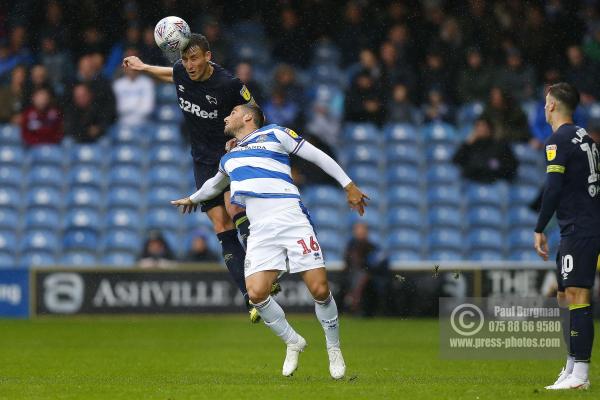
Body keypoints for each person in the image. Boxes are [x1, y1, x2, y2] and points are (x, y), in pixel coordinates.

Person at [171, 103, 369, 379]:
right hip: (260, 229)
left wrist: (348, 185)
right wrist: (191, 198)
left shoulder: (276, 134)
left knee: (320, 290)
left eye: (233, 112)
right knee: (256, 293)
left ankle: (333, 348)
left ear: (248, 117)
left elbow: (318, 156)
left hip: (290, 218)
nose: (227, 117)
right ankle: (292, 340)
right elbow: (214, 185)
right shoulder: (228, 157)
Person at [123, 33, 276, 323]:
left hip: (230, 155)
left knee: (235, 210)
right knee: (221, 226)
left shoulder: (229, 84)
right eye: (184, 59)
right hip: (202, 162)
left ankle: (263, 272)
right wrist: (143, 67)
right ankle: (251, 297)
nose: (189, 64)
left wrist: (240, 138)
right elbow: (172, 75)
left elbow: (257, 113)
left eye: (194, 58)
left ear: (208, 56)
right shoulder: (182, 71)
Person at [534, 83, 600, 390]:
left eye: (546, 103)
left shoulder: (558, 140)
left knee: (577, 296)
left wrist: (539, 228)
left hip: (579, 228)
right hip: (578, 225)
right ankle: (572, 364)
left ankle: (581, 375)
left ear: (551, 106)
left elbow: (553, 188)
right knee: (564, 296)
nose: (544, 109)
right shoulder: (585, 136)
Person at [452, 117, 517, 183]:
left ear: (490, 129)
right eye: (478, 126)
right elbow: (456, 160)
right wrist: (467, 144)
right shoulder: (469, 146)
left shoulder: (500, 146)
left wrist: (498, 168)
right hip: (472, 183)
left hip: (494, 183)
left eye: (484, 126)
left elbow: (512, 166)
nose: (481, 129)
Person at [112, 48, 155, 126]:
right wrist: (136, 105)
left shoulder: (147, 83)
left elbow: (148, 109)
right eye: (128, 63)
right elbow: (118, 109)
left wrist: (128, 108)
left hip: (143, 124)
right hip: (122, 124)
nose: (131, 66)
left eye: (133, 63)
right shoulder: (117, 85)